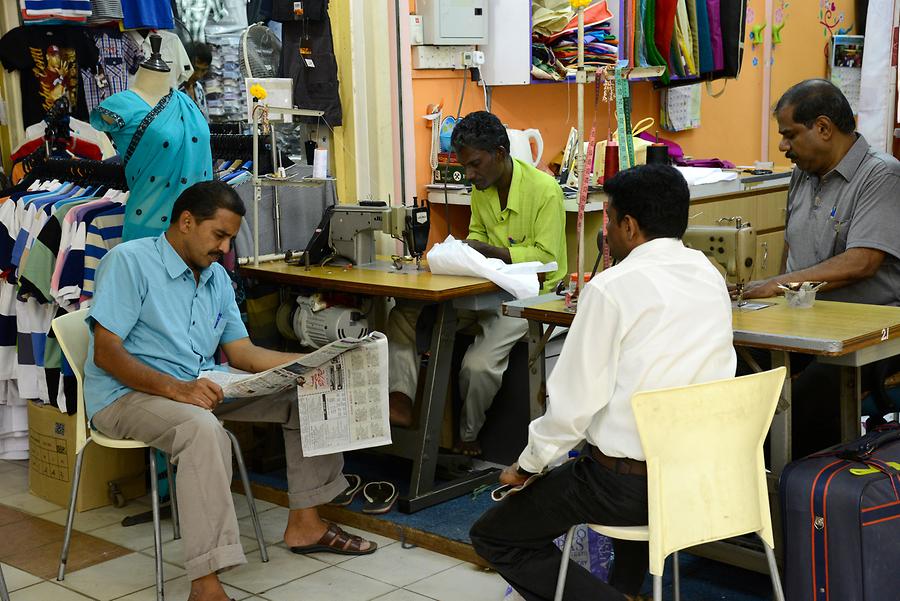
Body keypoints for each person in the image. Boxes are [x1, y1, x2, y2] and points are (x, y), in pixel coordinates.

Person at [84, 181, 376, 601]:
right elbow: (106, 355)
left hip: (200, 389)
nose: (224, 247)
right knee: (202, 430)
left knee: (310, 392)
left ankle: (306, 522)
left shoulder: (217, 277)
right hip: (126, 396)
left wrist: (320, 362)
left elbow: (243, 353)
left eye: (230, 239)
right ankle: (205, 585)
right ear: (186, 222)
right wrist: (176, 389)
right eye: (218, 235)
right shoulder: (129, 263)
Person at [469, 164, 737, 601]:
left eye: (608, 218)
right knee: (614, 455)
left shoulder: (611, 289)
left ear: (628, 226)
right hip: (700, 476)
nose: (605, 229)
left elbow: (572, 409)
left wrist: (527, 466)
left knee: (496, 536)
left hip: (627, 488)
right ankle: (628, 590)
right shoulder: (710, 274)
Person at [387, 111, 567, 456]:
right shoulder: (482, 189)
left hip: (532, 299)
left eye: (475, 164)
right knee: (403, 316)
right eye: (464, 166)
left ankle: (468, 435)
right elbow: (476, 239)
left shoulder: (545, 191)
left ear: (500, 153)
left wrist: (489, 251)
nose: (469, 174)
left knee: (478, 364)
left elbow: (547, 260)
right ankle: (401, 399)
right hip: (487, 291)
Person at [737, 79, 900, 455]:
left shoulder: (881, 176)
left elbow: (863, 261)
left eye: (790, 135)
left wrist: (776, 285)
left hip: (870, 336)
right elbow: (792, 248)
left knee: (805, 402)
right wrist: (768, 305)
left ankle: (805, 497)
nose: (782, 146)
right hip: (804, 326)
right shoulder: (803, 175)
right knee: (732, 371)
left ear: (823, 128)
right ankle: (752, 489)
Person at [181, 41, 211, 120]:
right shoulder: (176, 90)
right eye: (195, 69)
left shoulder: (199, 89)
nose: (198, 75)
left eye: (203, 70)